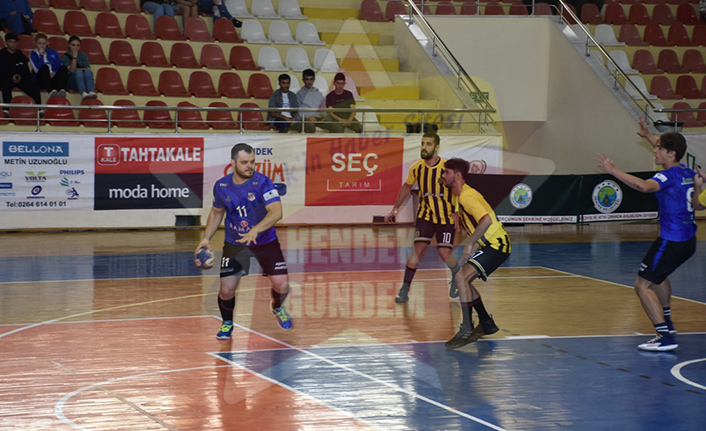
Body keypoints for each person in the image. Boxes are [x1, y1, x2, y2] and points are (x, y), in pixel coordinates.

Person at [595, 118, 697, 352]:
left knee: (642, 286)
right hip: (688, 240)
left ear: (671, 153)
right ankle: (668, 323)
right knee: (658, 277)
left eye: (659, 148)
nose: (655, 150)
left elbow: (643, 186)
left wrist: (612, 170)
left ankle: (664, 336)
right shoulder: (686, 170)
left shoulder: (666, 176)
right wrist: (649, 136)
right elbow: (669, 151)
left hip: (671, 240)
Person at [195, 143, 293, 339]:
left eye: (252, 162)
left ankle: (277, 306)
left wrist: (255, 230)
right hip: (235, 243)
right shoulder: (222, 186)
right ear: (233, 163)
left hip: (265, 242)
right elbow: (216, 212)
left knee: (282, 285)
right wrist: (205, 238)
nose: (250, 166)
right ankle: (227, 323)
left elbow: (276, 212)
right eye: (245, 162)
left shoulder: (263, 183)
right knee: (226, 290)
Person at [440, 157, 509, 349]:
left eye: (446, 172)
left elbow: (486, 221)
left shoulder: (466, 196)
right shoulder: (459, 196)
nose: (443, 175)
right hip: (488, 245)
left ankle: (467, 329)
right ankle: (486, 323)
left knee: (462, 278)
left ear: (457, 175)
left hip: (497, 245)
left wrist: (470, 244)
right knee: (464, 280)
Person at [384, 132, 460, 304]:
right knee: (417, 250)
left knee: (444, 252)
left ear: (437, 147)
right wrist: (395, 209)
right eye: (422, 143)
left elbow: (458, 190)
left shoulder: (447, 168)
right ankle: (405, 288)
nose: (424, 147)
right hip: (425, 216)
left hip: (446, 217)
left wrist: (457, 212)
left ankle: (456, 273)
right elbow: (407, 186)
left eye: (428, 144)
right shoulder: (417, 167)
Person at [0, 33, 41, 105]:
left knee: (33, 87)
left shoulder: (20, 55)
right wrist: (11, 76)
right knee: (5, 85)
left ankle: (38, 108)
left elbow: (25, 70)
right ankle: (7, 109)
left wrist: (19, 76)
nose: (13, 44)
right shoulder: (2, 55)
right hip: (6, 79)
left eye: (14, 42)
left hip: (21, 79)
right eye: (10, 42)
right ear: (6, 42)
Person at [29, 33, 68, 99]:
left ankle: (62, 90)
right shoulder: (33, 54)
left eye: (44, 44)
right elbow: (37, 69)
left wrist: (54, 72)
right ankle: (50, 91)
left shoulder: (53, 52)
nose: (42, 46)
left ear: (47, 43)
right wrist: (41, 56)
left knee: (63, 68)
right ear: (35, 43)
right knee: (44, 67)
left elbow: (58, 65)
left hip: (53, 77)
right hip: (41, 79)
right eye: (39, 43)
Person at [296, 68, 333, 134]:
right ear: (303, 80)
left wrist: (324, 116)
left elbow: (323, 108)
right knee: (311, 126)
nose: (309, 82)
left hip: (319, 118)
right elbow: (297, 110)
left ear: (314, 80)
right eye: (307, 79)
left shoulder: (319, 94)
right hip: (306, 119)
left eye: (311, 79)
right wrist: (308, 117)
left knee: (335, 126)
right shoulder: (299, 94)